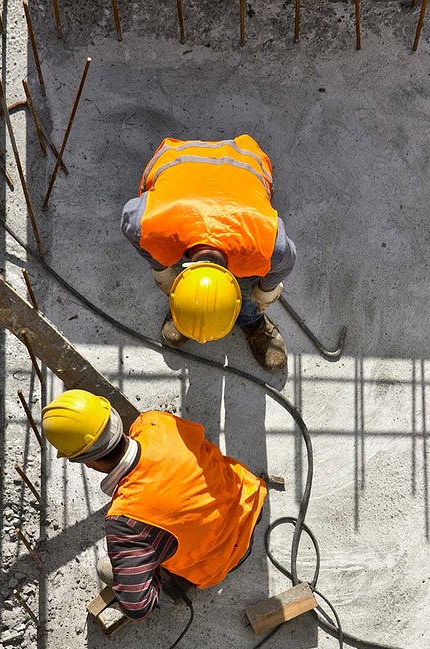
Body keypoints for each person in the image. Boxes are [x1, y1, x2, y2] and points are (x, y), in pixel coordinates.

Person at [41, 389, 268, 620]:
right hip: (247, 500)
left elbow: (136, 607)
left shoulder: (126, 521)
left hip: (223, 558)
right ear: (115, 418)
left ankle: (173, 588)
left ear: (87, 462)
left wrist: (146, 557)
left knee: (106, 568)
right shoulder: (155, 422)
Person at [120, 135, 297, 372]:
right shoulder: (148, 225)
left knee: (250, 287)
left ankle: (251, 320)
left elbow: (286, 261)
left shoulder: (267, 245)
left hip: (243, 160)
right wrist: (161, 270)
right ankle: (191, 310)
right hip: (175, 158)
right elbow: (130, 220)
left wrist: (264, 292)